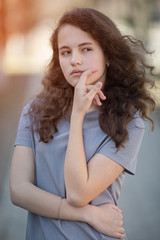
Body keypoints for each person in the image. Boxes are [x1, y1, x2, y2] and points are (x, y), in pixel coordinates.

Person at [10, 7, 155, 240]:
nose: (75, 60)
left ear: (107, 54)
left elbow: (78, 194)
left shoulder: (128, 122)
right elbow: (18, 191)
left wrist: (77, 116)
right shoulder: (34, 112)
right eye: (65, 52)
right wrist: (89, 215)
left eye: (86, 49)